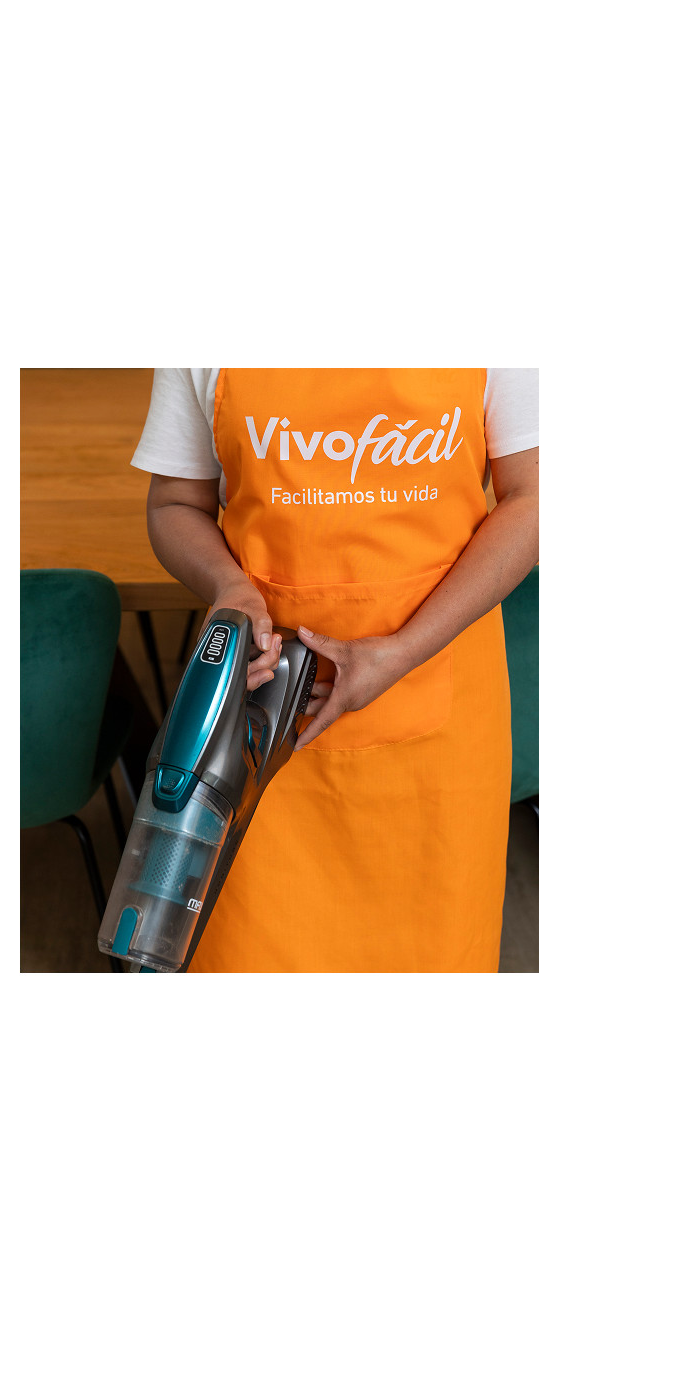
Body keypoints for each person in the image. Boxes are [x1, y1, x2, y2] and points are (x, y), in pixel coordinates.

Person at [131, 368, 539, 972]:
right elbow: (174, 503)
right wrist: (227, 586)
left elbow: (534, 498)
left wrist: (404, 650)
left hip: (438, 731)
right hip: (260, 722)